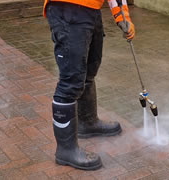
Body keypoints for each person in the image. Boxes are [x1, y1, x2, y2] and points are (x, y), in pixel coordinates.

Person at [43, 0, 135, 170]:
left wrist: (122, 16)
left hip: (91, 10)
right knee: (71, 80)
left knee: (89, 70)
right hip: (67, 9)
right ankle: (66, 150)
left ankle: (88, 122)